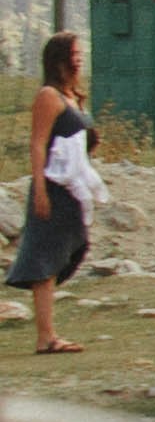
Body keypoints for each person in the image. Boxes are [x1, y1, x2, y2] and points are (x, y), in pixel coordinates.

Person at [12, 31, 94, 354]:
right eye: (73, 53)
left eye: (79, 53)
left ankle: (47, 331)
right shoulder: (48, 96)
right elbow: (38, 142)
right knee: (45, 259)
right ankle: (46, 336)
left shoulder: (73, 95)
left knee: (72, 248)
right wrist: (40, 190)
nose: (78, 58)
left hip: (72, 188)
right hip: (52, 188)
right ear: (59, 58)